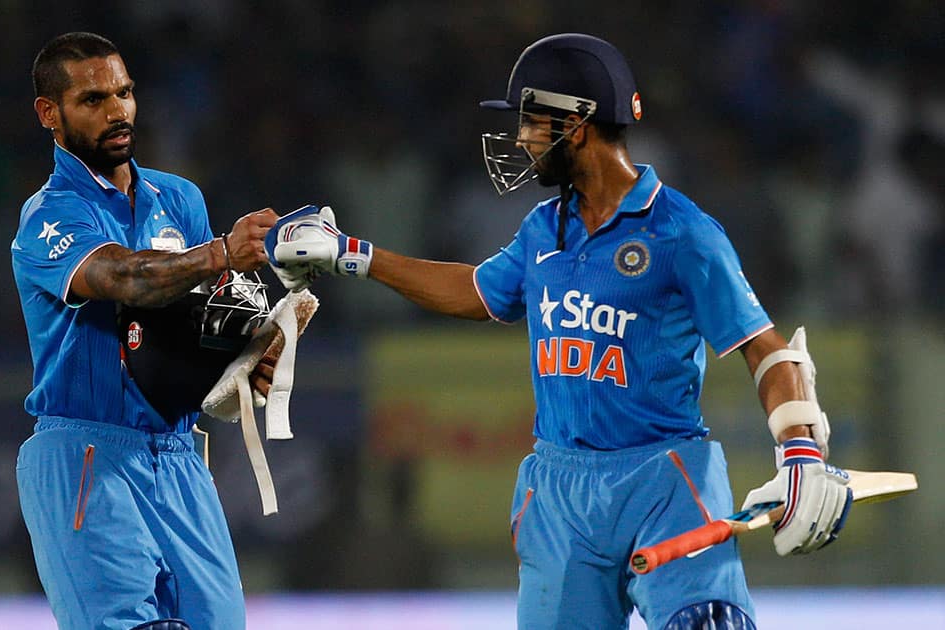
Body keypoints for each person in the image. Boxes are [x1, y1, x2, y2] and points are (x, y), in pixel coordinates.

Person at [268, 34, 852, 629]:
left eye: (529, 121)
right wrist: (354, 255)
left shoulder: (683, 232)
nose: (521, 139)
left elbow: (767, 349)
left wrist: (800, 452)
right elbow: (476, 292)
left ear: (576, 123)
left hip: (666, 482)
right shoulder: (542, 228)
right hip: (558, 492)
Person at [12, 32, 279, 630]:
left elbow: (212, 311)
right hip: (87, 453)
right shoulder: (49, 215)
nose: (117, 111)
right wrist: (221, 253)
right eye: (93, 99)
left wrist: (253, 350)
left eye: (125, 93)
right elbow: (124, 278)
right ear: (49, 114)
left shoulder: (178, 198)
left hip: (181, 457)